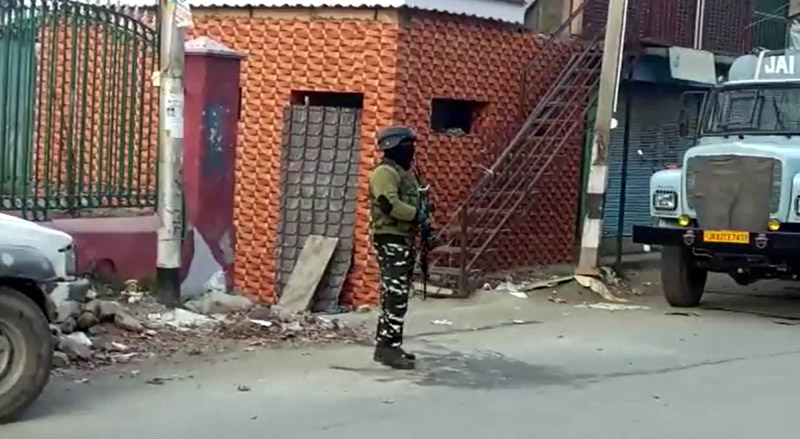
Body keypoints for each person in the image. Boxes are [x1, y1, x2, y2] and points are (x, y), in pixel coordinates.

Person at [369, 126, 429, 370]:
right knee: (395, 294)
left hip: (402, 238)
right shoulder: (385, 172)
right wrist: (417, 215)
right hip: (390, 238)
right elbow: (389, 205)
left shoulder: (404, 173)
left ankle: (389, 344)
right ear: (394, 147)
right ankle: (387, 348)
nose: (412, 150)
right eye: (408, 145)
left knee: (398, 295)